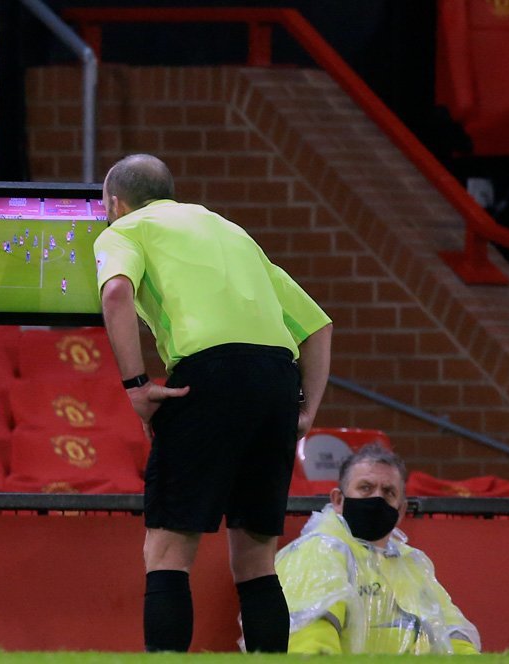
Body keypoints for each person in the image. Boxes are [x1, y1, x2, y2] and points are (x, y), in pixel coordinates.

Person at [93, 154, 333, 653]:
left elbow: (116, 293)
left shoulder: (125, 228)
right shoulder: (230, 229)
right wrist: (304, 411)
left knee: (167, 550)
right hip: (276, 381)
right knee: (256, 559)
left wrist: (136, 385)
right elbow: (318, 325)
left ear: (115, 202)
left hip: (209, 375)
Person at [275, 444, 480, 655]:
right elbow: (310, 642)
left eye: (388, 492)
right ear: (338, 500)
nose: (377, 498)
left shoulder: (412, 563)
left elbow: (453, 632)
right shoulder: (318, 552)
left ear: (401, 510)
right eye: (365, 488)